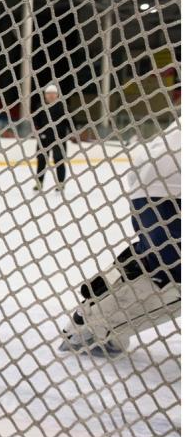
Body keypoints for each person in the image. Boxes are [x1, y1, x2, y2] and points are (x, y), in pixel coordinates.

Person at [59, 119, 181, 357]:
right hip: (170, 181)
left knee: (157, 262)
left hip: (153, 177)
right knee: (172, 273)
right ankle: (95, 328)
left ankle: (87, 323)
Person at [32, 83, 71, 191]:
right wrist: (38, 132)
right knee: (41, 161)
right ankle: (39, 183)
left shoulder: (63, 106)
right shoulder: (40, 107)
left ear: (57, 95)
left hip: (59, 139)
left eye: (53, 94)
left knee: (59, 160)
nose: (51, 96)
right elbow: (36, 122)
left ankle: (60, 183)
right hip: (43, 139)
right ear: (45, 95)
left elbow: (70, 122)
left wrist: (73, 134)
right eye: (48, 94)